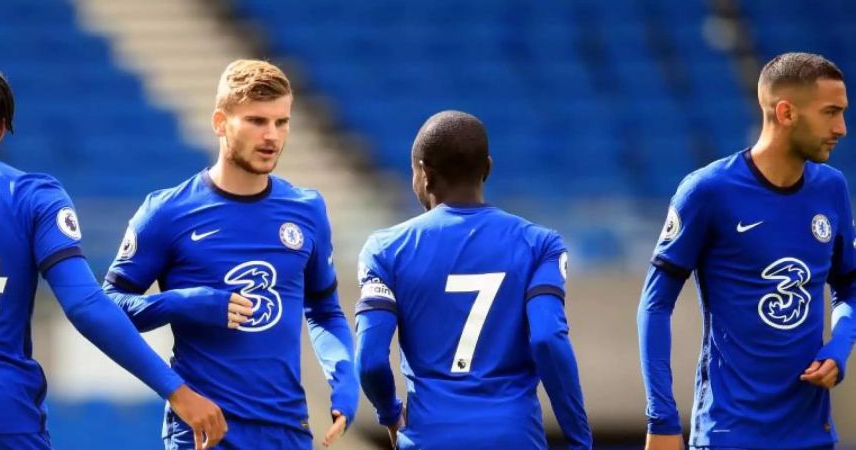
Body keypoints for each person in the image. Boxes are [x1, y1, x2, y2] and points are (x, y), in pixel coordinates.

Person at [0, 61, 226, 450]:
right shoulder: (33, 196)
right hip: (0, 418)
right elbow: (84, 304)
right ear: (2, 128)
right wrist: (176, 390)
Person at [102, 59, 358, 450]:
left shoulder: (307, 209)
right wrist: (184, 302)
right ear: (221, 122)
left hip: (286, 431)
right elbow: (107, 309)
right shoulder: (166, 212)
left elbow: (324, 309)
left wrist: (344, 377)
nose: (272, 135)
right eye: (256, 121)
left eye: (281, 122)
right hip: (203, 433)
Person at [638, 52, 855, 450]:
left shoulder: (832, 189)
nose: (841, 127)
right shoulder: (707, 191)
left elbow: (850, 285)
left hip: (812, 434)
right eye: (831, 112)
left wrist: (839, 346)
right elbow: (654, 306)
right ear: (786, 112)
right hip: (730, 433)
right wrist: (662, 419)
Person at [355, 110, 593, 449]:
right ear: (488, 168)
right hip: (514, 437)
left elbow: (371, 360)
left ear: (423, 174)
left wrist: (391, 415)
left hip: (430, 438)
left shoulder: (385, 250)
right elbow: (548, 340)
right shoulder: (541, 245)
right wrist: (579, 440)